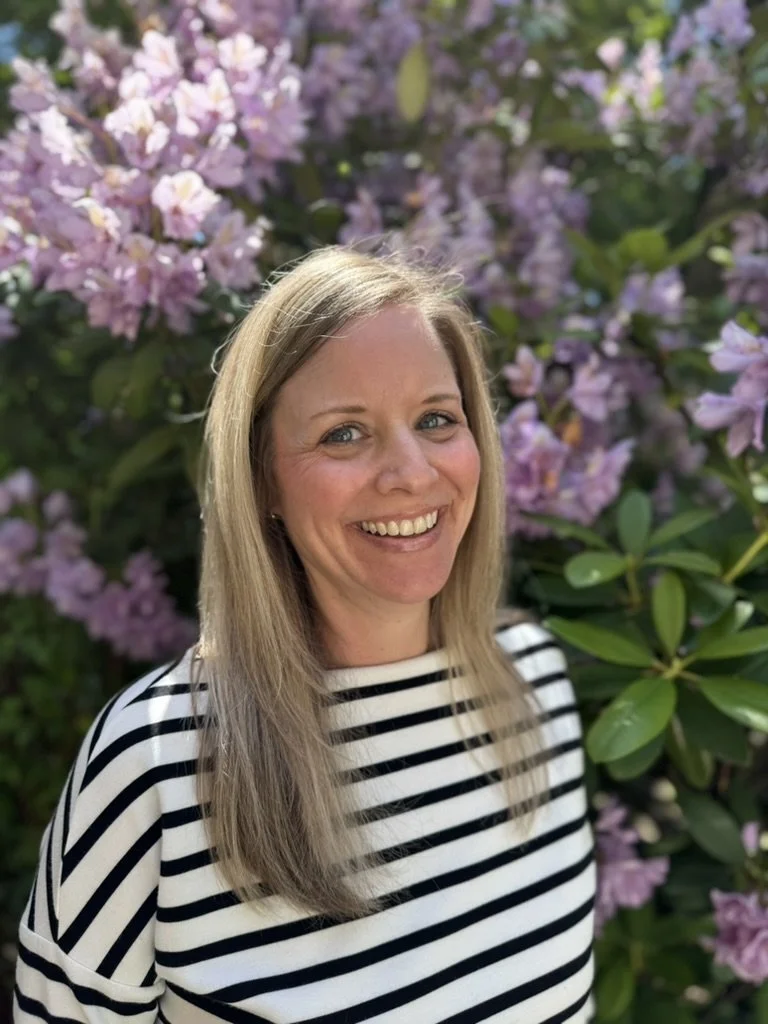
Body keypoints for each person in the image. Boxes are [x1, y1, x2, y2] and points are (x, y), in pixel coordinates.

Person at [14, 247, 595, 1023]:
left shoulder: (535, 683)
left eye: (435, 419)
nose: (411, 473)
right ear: (262, 485)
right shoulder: (153, 765)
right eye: (344, 434)